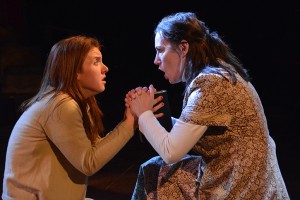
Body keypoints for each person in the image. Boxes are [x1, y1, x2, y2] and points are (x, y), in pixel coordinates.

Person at [125, 12, 290, 199]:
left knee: (160, 173)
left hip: (244, 188)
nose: (156, 60)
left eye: (161, 50)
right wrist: (154, 116)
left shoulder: (211, 84)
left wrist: (144, 114)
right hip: (240, 177)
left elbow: (171, 152)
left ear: (183, 47)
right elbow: (189, 131)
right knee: (155, 169)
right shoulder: (217, 73)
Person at [1, 35, 161, 200]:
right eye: (96, 62)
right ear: (75, 71)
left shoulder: (77, 103)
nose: (105, 68)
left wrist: (131, 118)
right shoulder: (61, 105)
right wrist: (130, 121)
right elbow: (88, 163)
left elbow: (92, 149)